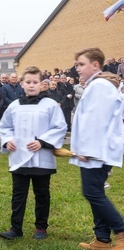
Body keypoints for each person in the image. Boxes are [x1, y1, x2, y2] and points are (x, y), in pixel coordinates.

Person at [0, 66, 67, 241]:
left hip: (41, 158)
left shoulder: (50, 105)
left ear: (42, 84)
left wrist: (42, 142)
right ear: (21, 84)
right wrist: (7, 140)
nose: (31, 85)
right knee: (18, 194)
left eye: (35, 82)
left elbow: (60, 126)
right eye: (28, 82)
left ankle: (41, 228)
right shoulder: (14, 106)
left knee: (42, 194)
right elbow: (5, 126)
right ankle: (15, 228)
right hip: (19, 158)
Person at [70, 48, 124, 249]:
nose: (77, 69)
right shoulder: (98, 85)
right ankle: (102, 238)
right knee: (96, 192)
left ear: (95, 65)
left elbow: (97, 120)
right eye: (76, 65)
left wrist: (87, 149)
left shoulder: (99, 86)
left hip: (96, 150)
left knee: (92, 192)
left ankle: (121, 231)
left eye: (81, 64)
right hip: (97, 149)